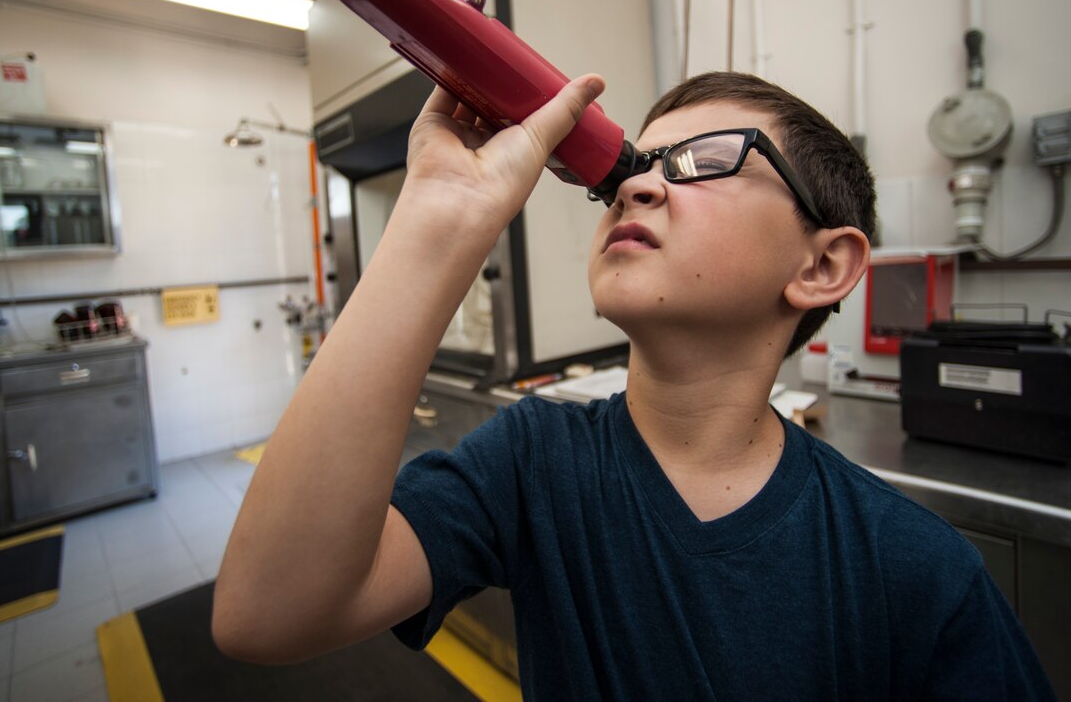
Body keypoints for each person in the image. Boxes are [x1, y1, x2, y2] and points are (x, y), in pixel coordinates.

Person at [212, 71, 1056, 701]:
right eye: (632, 166)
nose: (640, 183)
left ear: (823, 263)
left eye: (704, 161)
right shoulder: (534, 459)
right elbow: (268, 611)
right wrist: (438, 218)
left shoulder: (910, 565)